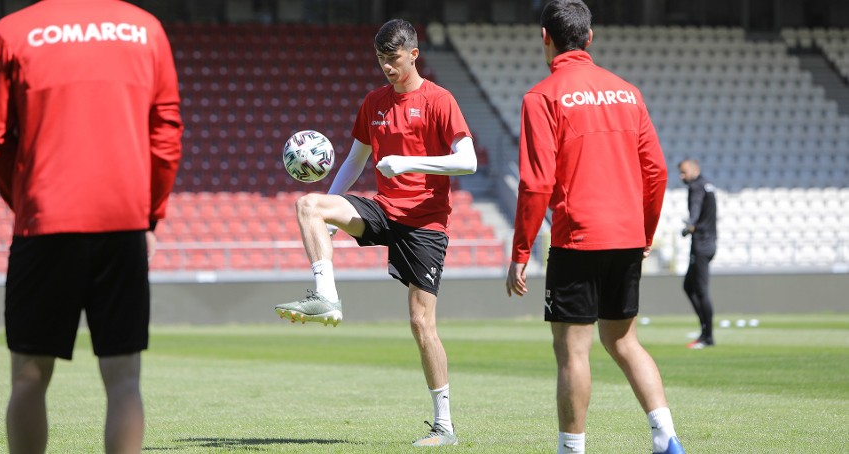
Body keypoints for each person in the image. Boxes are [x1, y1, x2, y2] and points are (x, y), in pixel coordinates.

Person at [274, 19, 476, 447]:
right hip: (384, 210)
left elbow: (468, 161)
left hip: (425, 222)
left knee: (421, 324)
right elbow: (354, 161)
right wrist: (330, 212)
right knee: (308, 205)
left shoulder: (440, 100)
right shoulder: (374, 103)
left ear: (414, 55)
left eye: (394, 58)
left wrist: (409, 164)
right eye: (381, 58)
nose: (386, 66)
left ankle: (444, 426)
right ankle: (325, 295)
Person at [0, 1, 182, 452]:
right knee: (123, 379)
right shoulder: (145, 29)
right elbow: (167, 134)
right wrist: (150, 215)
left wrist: (22, 199)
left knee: (27, 377)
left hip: (44, 223)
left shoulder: (13, 31)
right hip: (122, 221)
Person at [504, 1, 684, 453]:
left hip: (577, 237)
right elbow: (657, 171)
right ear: (590, 36)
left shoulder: (541, 96)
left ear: (545, 36)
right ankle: (666, 439)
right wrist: (644, 231)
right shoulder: (627, 92)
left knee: (572, 351)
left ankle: (572, 449)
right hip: (626, 236)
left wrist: (520, 252)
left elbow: (536, 182)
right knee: (624, 341)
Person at [678, 158, 717, 349]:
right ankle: (704, 330)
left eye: (684, 172)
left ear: (695, 170)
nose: (681, 176)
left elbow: (696, 207)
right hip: (709, 242)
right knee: (689, 286)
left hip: (701, 244)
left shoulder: (696, 187)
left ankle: (707, 336)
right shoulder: (707, 184)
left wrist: (690, 225)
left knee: (700, 290)